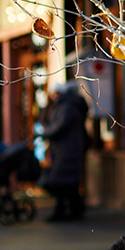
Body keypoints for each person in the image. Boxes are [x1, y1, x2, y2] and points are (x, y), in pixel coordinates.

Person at [40, 82, 90, 222]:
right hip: (68, 149)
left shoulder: (67, 107)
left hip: (66, 150)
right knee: (67, 183)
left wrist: (45, 132)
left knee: (61, 182)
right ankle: (71, 209)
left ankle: (68, 209)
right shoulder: (69, 106)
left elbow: (59, 126)